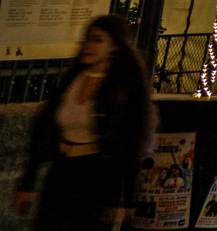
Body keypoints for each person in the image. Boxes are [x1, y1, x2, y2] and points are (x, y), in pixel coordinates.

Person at [14, 13, 155, 231]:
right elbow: (43, 129)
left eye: (97, 40)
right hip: (61, 172)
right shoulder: (72, 79)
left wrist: (124, 199)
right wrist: (28, 183)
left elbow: (130, 144)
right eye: (87, 39)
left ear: (115, 47)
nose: (88, 46)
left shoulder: (123, 88)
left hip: (94, 177)